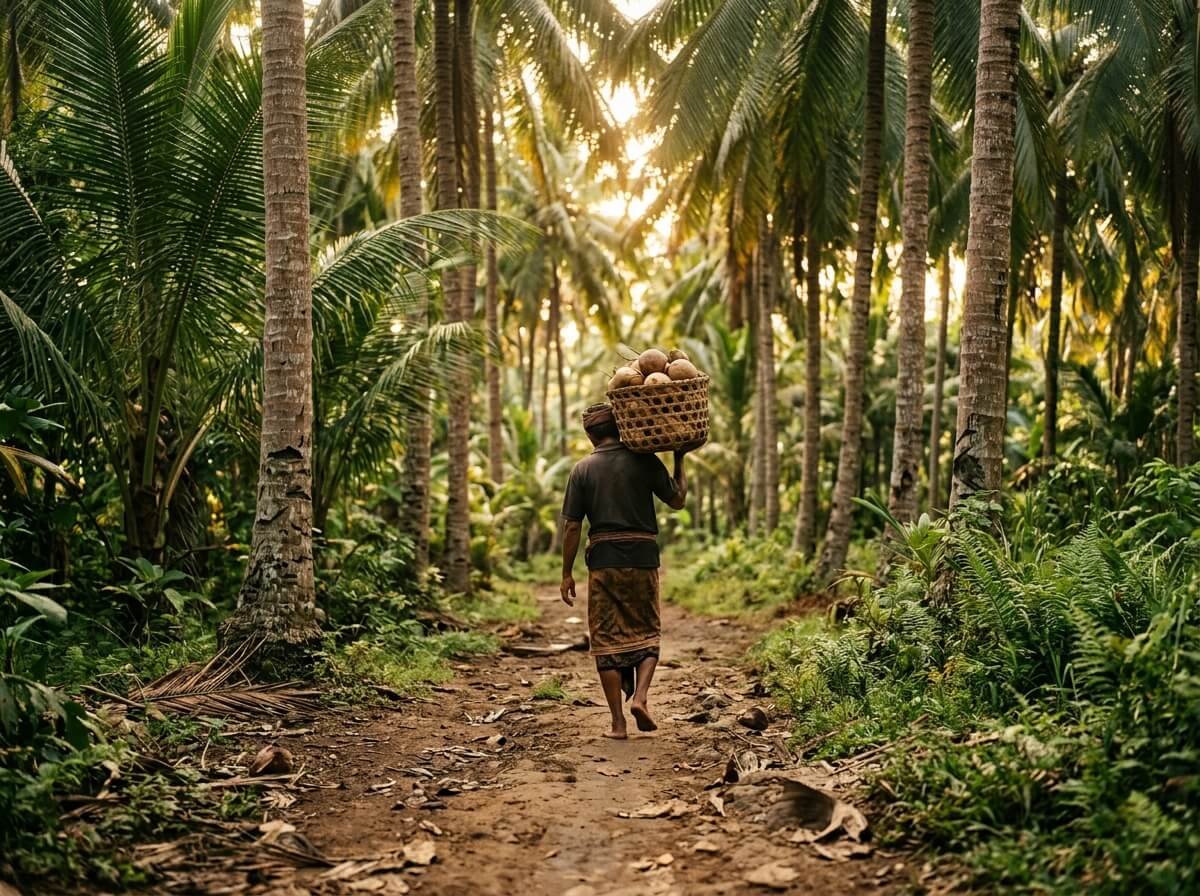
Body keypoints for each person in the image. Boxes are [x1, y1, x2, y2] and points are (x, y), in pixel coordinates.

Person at [560, 402, 689, 739]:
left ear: (590, 435)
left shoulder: (582, 470)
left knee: (606, 640)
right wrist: (679, 457)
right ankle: (642, 698)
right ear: (619, 427)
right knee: (647, 629)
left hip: (604, 562)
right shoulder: (644, 460)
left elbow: (572, 526)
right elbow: (677, 500)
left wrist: (566, 573)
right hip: (644, 558)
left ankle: (618, 724)